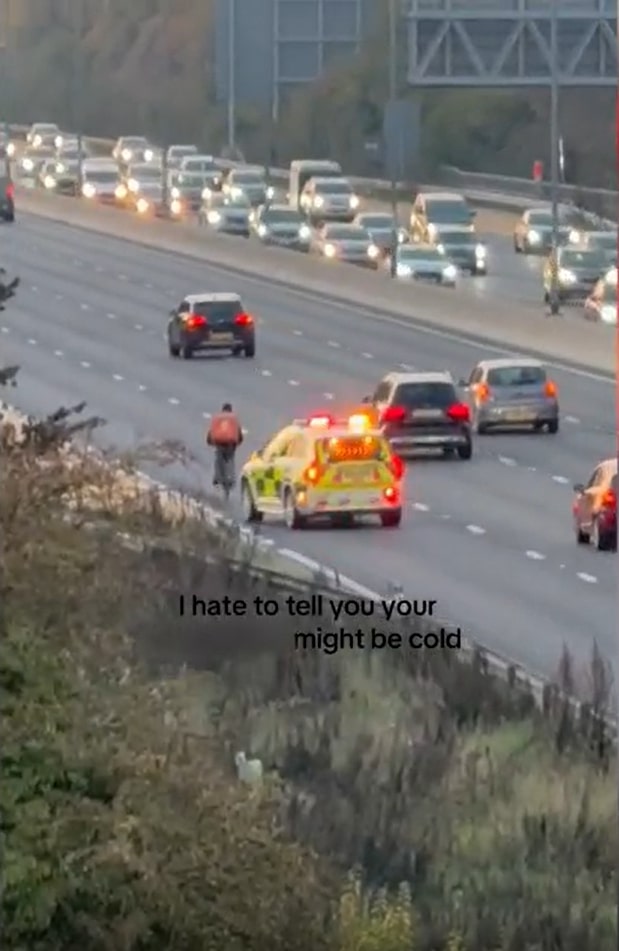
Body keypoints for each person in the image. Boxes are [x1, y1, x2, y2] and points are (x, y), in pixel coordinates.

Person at [206, 402, 243, 487]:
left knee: (218, 460)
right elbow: (238, 433)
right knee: (230, 460)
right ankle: (230, 479)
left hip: (219, 442)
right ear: (230, 410)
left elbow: (212, 430)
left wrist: (209, 441)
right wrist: (238, 442)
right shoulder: (234, 418)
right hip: (230, 443)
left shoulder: (217, 418)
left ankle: (217, 479)